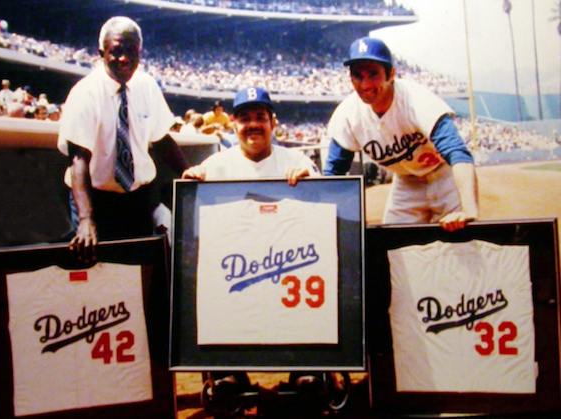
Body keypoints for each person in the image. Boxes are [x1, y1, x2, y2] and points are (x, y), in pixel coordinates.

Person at [183, 86, 328, 395]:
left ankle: (308, 365)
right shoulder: (216, 165)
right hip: (239, 267)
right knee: (213, 285)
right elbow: (196, 228)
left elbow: (325, 216)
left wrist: (310, 180)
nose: (252, 124)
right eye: (244, 118)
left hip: (288, 264)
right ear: (233, 125)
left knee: (310, 284)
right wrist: (194, 182)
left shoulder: (295, 159)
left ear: (273, 123)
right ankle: (227, 370)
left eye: (260, 117)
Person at [57, 16, 188, 262]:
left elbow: (162, 140)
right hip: (96, 200)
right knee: (96, 274)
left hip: (136, 199)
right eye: (116, 51)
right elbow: (78, 159)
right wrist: (87, 219)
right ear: (101, 52)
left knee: (135, 273)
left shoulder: (147, 86)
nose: (125, 59)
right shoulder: (85, 93)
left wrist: (188, 173)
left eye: (131, 51)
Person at [325, 37, 478, 232]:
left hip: (444, 175)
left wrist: (469, 210)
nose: (365, 84)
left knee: (462, 243)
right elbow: (333, 173)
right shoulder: (348, 114)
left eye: (373, 74)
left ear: (391, 75)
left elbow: (458, 153)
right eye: (358, 75)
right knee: (394, 249)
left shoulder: (416, 100)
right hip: (406, 181)